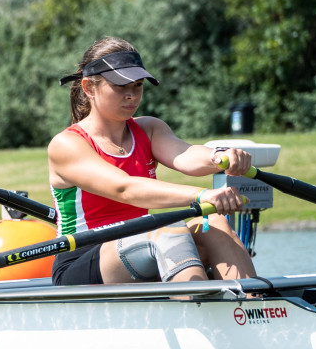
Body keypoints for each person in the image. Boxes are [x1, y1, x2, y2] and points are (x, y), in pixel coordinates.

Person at [48, 37, 256, 286]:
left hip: (142, 246)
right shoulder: (67, 144)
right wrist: (202, 195)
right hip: (81, 259)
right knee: (169, 231)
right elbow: (125, 189)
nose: (131, 95)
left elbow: (186, 155)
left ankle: (252, 303)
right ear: (89, 88)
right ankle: (196, 305)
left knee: (214, 223)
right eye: (120, 86)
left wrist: (220, 157)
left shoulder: (149, 129)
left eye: (137, 86)